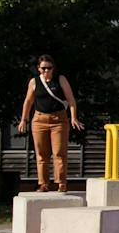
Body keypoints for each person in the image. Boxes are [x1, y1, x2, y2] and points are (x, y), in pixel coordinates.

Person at [18, 54, 82, 193]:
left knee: (59, 152)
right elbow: (28, 102)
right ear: (38, 69)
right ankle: (43, 183)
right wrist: (23, 119)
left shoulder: (60, 79)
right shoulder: (34, 82)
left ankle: (61, 183)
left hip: (58, 120)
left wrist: (73, 117)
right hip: (39, 119)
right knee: (41, 153)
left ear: (53, 68)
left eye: (49, 68)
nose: (46, 71)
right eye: (43, 68)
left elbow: (71, 100)